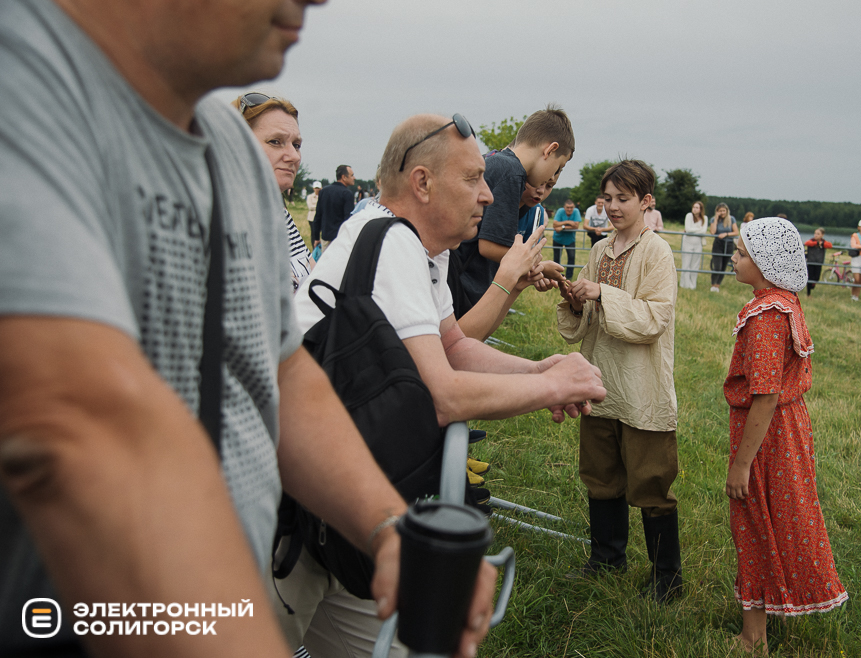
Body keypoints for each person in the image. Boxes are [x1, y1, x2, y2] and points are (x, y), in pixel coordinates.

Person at [0, 2, 499, 658]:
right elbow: (76, 428)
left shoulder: (228, 146)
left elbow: (283, 368)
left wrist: (386, 527)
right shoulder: (25, 72)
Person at [287, 113, 606, 658]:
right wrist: (552, 389)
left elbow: (453, 346)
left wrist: (539, 370)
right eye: (473, 178)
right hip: (289, 509)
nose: (487, 195)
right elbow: (441, 394)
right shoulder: (390, 243)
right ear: (422, 183)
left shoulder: (421, 251)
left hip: (338, 504)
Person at [556, 160, 681, 602]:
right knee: (601, 476)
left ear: (647, 202)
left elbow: (653, 319)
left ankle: (666, 578)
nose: (611, 207)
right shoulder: (599, 250)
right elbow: (586, 323)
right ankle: (606, 560)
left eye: (622, 199)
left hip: (641, 387)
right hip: (600, 381)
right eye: (607, 198)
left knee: (651, 483)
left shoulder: (656, 252)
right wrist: (575, 300)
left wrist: (601, 294)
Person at [725, 218, 848, 655]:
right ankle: (771, 604)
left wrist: (742, 463)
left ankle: (752, 635)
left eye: (741, 253)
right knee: (778, 513)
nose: (734, 258)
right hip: (788, 427)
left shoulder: (766, 316)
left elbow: (765, 393)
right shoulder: (785, 303)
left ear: (762, 263)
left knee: (754, 514)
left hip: (768, 430)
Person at [450, 106, 575, 316]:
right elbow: (490, 246)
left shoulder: (497, 162)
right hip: (458, 286)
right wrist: (540, 265)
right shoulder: (512, 172)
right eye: (557, 167)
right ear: (550, 150)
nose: (552, 178)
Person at [236, 92, 315, 292]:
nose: (293, 156)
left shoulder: (279, 215)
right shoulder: (224, 219)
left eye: (296, 145)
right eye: (275, 142)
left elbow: (315, 278)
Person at [315, 163, 356, 243]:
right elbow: (348, 219)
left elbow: (318, 216)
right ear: (344, 177)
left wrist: (316, 237)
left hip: (325, 237)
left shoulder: (324, 191)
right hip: (340, 239)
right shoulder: (347, 194)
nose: (354, 178)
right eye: (352, 175)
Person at [708, 203, 738, 292]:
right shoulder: (713, 219)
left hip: (728, 244)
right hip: (718, 244)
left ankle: (718, 285)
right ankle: (713, 284)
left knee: (723, 266)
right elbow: (712, 232)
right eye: (720, 211)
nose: (722, 213)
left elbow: (736, 232)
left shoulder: (731, 219)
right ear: (717, 211)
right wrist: (716, 219)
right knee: (717, 265)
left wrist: (726, 234)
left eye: (723, 211)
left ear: (726, 211)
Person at [680, 201, 708, 290]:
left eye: (697, 208)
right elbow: (688, 229)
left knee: (695, 264)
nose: (694, 209)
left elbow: (704, 231)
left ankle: (692, 285)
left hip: (698, 244)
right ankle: (684, 284)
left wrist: (694, 230)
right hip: (687, 243)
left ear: (700, 209)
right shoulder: (689, 216)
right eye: (694, 207)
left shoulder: (704, 218)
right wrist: (698, 229)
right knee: (686, 263)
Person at [552, 199, 582, 279]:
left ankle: (569, 277)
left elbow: (576, 226)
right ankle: (556, 276)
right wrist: (568, 222)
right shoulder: (560, 211)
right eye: (567, 207)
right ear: (564, 207)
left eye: (571, 207)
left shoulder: (576, 211)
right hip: (558, 238)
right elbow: (554, 224)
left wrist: (562, 227)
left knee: (571, 257)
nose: (569, 209)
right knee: (557, 258)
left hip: (570, 239)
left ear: (574, 207)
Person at [803, 228, 833, 297]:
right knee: (810, 277)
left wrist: (822, 244)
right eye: (815, 233)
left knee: (817, 277)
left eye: (818, 234)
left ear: (822, 235)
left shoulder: (823, 242)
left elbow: (830, 245)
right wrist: (816, 243)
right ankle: (808, 293)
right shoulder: (811, 241)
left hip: (818, 262)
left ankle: (813, 285)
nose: (816, 235)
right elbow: (806, 243)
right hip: (811, 262)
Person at [308, 180, 322, 248]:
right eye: (316, 188)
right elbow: (310, 207)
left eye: (318, 188)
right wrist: (318, 206)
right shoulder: (310, 197)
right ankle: (314, 247)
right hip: (312, 218)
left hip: (321, 218)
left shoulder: (322, 196)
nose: (317, 189)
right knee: (313, 233)